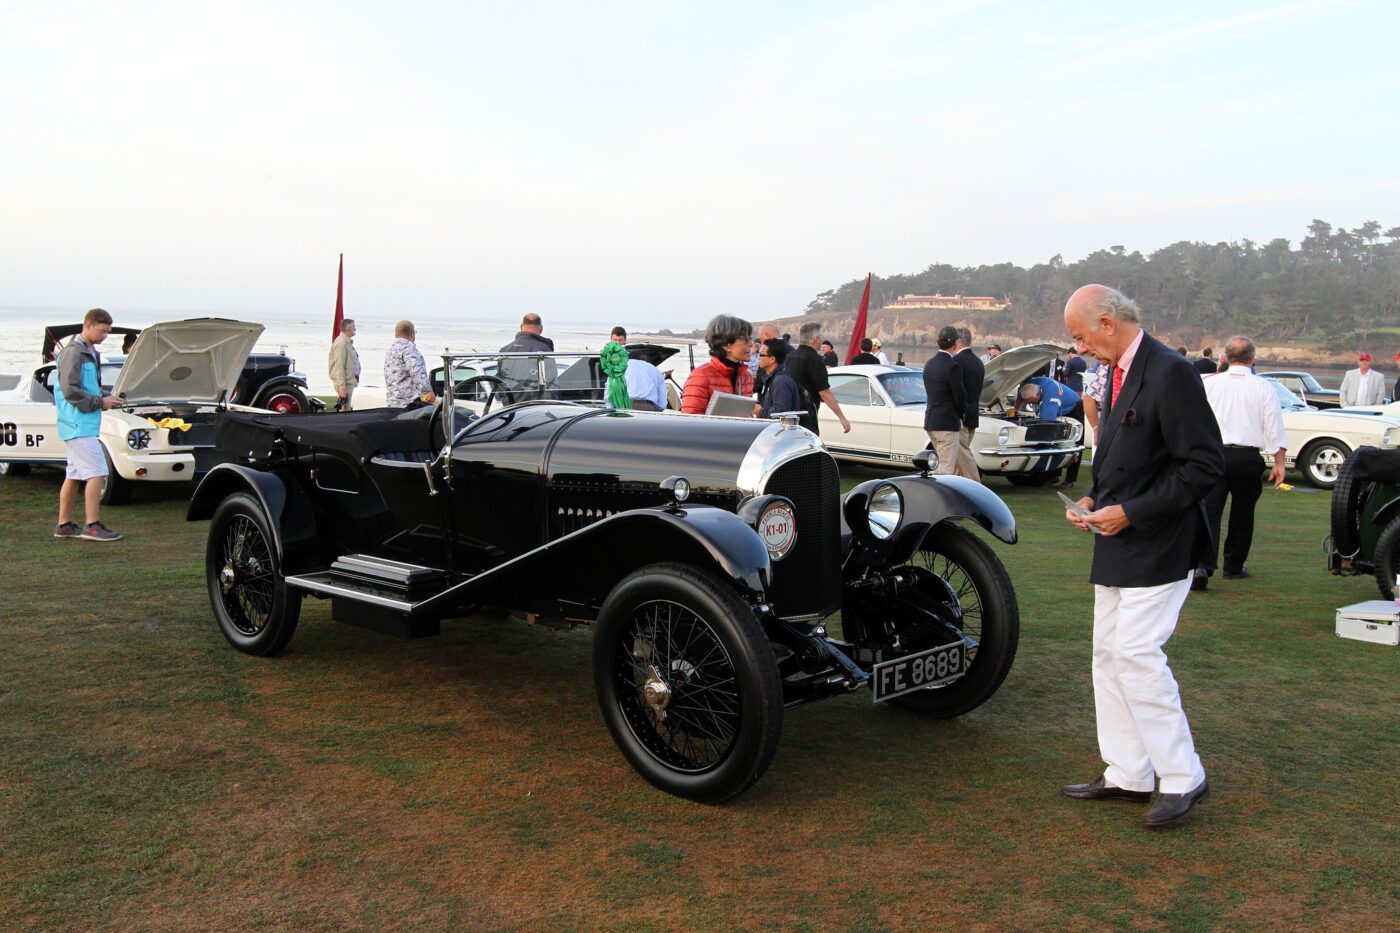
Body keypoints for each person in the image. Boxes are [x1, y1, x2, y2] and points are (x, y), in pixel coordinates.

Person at [1060, 284, 1224, 828]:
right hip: (1118, 539)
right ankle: (1128, 771)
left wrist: (1131, 511)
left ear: (1107, 323)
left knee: (1134, 653)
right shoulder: (1115, 372)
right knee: (1107, 654)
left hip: (1161, 539)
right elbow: (1122, 454)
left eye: (1080, 336)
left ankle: (1182, 775)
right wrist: (1092, 498)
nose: (1079, 348)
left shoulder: (1172, 371)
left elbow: (1202, 467)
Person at [1192, 336, 1287, 591]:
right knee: (1242, 514)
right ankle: (1234, 566)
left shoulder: (1209, 383)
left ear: (1225, 357)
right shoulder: (1264, 387)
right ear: (1253, 358)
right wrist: (1279, 462)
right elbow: (1273, 426)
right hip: (1247, 456)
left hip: (1213, 454)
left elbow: (1195, 420)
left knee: (1209, 511)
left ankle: (1203, 565)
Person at [54, 308, 127, 542]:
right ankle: (92, 525)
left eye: (107, 332)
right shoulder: (73, 353)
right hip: (77, 424)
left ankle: (64, 525)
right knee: (98, 472)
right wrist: (100, 402)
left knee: (74, 475)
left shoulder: (90, 352)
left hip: (84, 423)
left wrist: (109, 399)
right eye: (102, 331)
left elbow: (89, 388)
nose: (105, 336)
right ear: (88, 326)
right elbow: (70, 391)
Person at [681, 315, 756, 414]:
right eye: (745, 339)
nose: (751, 344)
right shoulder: (701, 376)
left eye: (750, 339)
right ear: (726, 345)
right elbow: (690, 420)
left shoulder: (747, 377)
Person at [786, 323, 851, 435]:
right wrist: (842, 418)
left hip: (787, 410)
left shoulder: (790, 356)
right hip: (806, 413)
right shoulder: (815, 359)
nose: (822, 341)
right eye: (821, 337)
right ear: (815, 339)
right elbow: (824, 392)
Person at [921, 326, 964, 475]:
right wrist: (962, 414)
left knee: (939, 466)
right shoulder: (952, 367)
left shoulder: (929, 364)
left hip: (931, 420)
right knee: (945, 469)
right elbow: (959, 397)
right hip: (946, 423)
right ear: (955, 343)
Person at [498, 313, 557, 403]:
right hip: (533, 408)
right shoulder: (544, 350)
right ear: (541, 329)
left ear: (521, 327)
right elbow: (551, 384)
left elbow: (500, 381)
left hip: (509, 408)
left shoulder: (504, 350)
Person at [953, 327, 984, 481]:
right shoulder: (978, 361)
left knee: (962, 454)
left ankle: (976, 484)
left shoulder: (956, 361)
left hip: (960, 416)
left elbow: (957, 391)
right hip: (973, 414)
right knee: (958, 460)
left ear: (957, 341)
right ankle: (956, 488)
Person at [383, 320, 437, 408]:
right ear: (412, 333)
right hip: (409, 402)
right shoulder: (408, 349)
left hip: (392, 401)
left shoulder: (391, 350)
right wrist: (428, 391)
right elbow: (417, 371)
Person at [613, 327, 668, 412]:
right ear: (644, 358)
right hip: (647, 407)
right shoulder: (655, 371)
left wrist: (610, 408)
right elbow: (662, 404)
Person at [757, 339, 804, 418]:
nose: (759, 358)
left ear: (772, 359)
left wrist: (760, 411)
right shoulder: (773, 378)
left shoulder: (781, 381)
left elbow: (781, 413)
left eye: (761, 355)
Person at [328, 318, 360, 411]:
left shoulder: (347, 342)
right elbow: (339, 366)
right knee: (345, 409)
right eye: (354, 327)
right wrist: (342, 387)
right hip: (345, 383)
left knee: (347, 408)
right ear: (348, 328)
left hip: (349, 381)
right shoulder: (341, 344)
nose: (355, 329)